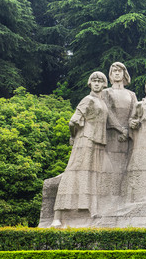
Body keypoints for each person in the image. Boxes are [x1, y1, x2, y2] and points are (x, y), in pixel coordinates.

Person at [51, 71, 125, 227]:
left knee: (92, 176)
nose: (97, 83)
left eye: (100, 81)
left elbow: (111, 121)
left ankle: (89, 210)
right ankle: (57, 216)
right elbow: (73, 121)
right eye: (94, 81)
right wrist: (74, 137)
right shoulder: (88, 99)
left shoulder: (101, 101)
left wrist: (123, 131)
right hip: (85, 140)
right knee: (74, 173)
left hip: (98, 142)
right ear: (90, 83)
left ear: (105, 84)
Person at [102, 62, 136, 202]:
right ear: (110, 74)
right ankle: (108, 197)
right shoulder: (106, 92)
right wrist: (120, 129)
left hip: (128, 136)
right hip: (112, 134)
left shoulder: (131, 94)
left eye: (119, 71)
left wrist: (128, 129)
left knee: (125, 167)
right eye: (114, 70)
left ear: (124, 74)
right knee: (111, 167)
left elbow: (135, 112)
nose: (117, 73)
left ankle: (122, 197)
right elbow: (107, 112)